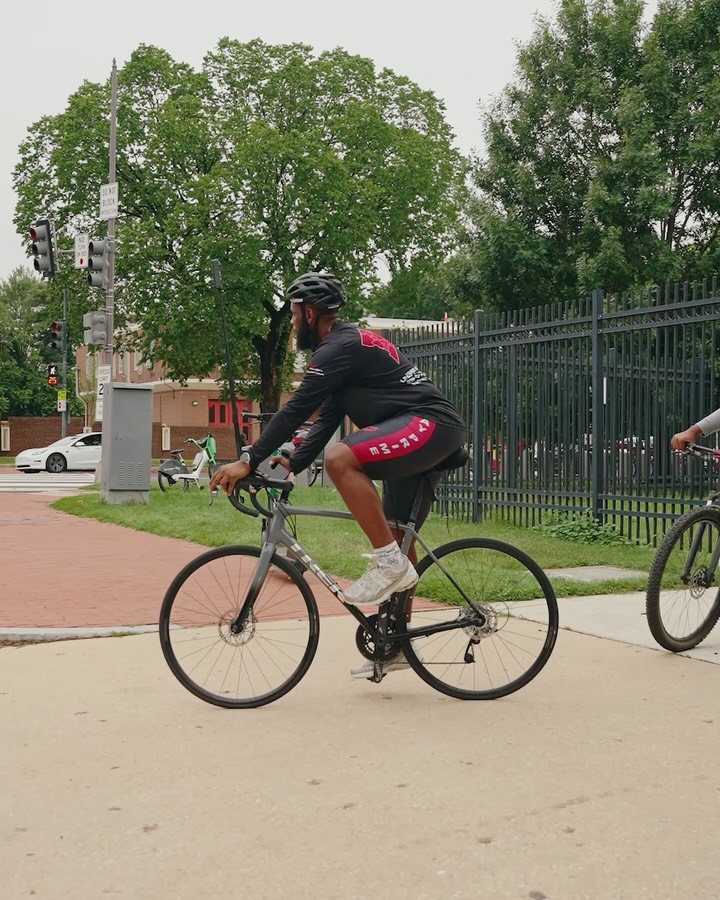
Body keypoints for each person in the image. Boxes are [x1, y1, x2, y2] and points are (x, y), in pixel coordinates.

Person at [209, 272, 467, 678]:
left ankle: (388, 564)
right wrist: (293, 459)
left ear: (310, 313)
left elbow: (296, 409)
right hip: (422, 429)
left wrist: (248, 458)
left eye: (294, 315)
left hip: (429, 424)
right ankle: (397, 641)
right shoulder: (345, 347)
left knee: (340, 460)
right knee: (397, 533)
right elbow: (328, 414)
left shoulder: (337, 348)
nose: (293, 325)